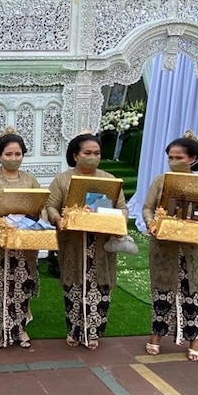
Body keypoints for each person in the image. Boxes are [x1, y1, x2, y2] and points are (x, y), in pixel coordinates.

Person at [141, 133, 198, 362]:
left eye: (179, 157)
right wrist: (152, 223)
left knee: (193, 294)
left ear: (193, 158)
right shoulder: (160, 180)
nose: (173, 161)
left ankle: (195, 339)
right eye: (170, 157)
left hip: (194, 247)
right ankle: (156, 336)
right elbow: (148, 207)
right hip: (165, 246)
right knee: (162, 291)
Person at [46, 133, 128, 351]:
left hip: (100, 243)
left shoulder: (109, 179)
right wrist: (58, 219)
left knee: (99, 287)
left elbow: (122, 208)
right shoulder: (62, 180)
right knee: (74, 286)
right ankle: (73, 330)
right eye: (87, 153)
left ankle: (93, 332)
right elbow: (51, 205)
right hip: (73, 243)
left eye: (97, 153)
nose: (93, 157)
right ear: (75, 155)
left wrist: (119, 221)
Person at [0, 129, 42, 349]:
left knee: (20, 285)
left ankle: (20, 328)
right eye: (8, 154)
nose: (14, 158)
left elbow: (39, 205)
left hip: (22, 243)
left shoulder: (30, 179)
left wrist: (38, 222)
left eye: (18, 154)